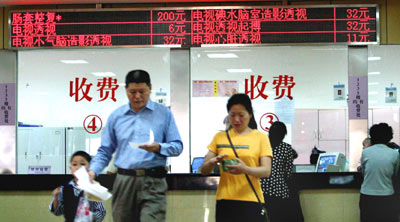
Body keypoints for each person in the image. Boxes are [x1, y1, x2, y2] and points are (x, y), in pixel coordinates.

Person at [88, 69, 183, 222]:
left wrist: (159, 147)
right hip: (124, 180)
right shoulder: (116, 116)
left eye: (142, 91)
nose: (137, 96)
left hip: (153, 181)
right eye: (132, 92)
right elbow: (105, 151)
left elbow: (177, 146)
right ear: (126, 90)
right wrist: (93, 171)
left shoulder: (164, 114)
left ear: (150, 88)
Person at [201, 93, 272, 222]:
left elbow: (266, 171)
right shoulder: (220, 137)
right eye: (232, 115)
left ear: (250, 115)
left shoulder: (261, 137)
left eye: (241, 115)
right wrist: (212, 161)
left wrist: (245, 169)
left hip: (251, 200)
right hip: (225, 201)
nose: (236, 120)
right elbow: (203, 170)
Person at [260, 121, 302, 222]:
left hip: (261, 190)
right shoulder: (286, 148)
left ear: (269, 133)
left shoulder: (261, 146)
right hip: (279, 191)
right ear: (283, 135)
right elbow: (288, 173)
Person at [50, 151, 106, 222]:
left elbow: (101, 212)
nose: (78, 167)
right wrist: (55, 198)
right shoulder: (65, 188)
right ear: (70, 168)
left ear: (90, 167)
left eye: (82, 164)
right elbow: (58, 212)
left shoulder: (94, 187)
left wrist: (89, 216)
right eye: (74, 164)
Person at [359, 123, 400, 222]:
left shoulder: (366, 152)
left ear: (372, 136)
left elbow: (364, 173)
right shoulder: (395, 154)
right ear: (389, 137)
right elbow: (395, 173)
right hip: (387, 196)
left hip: (367, 196)